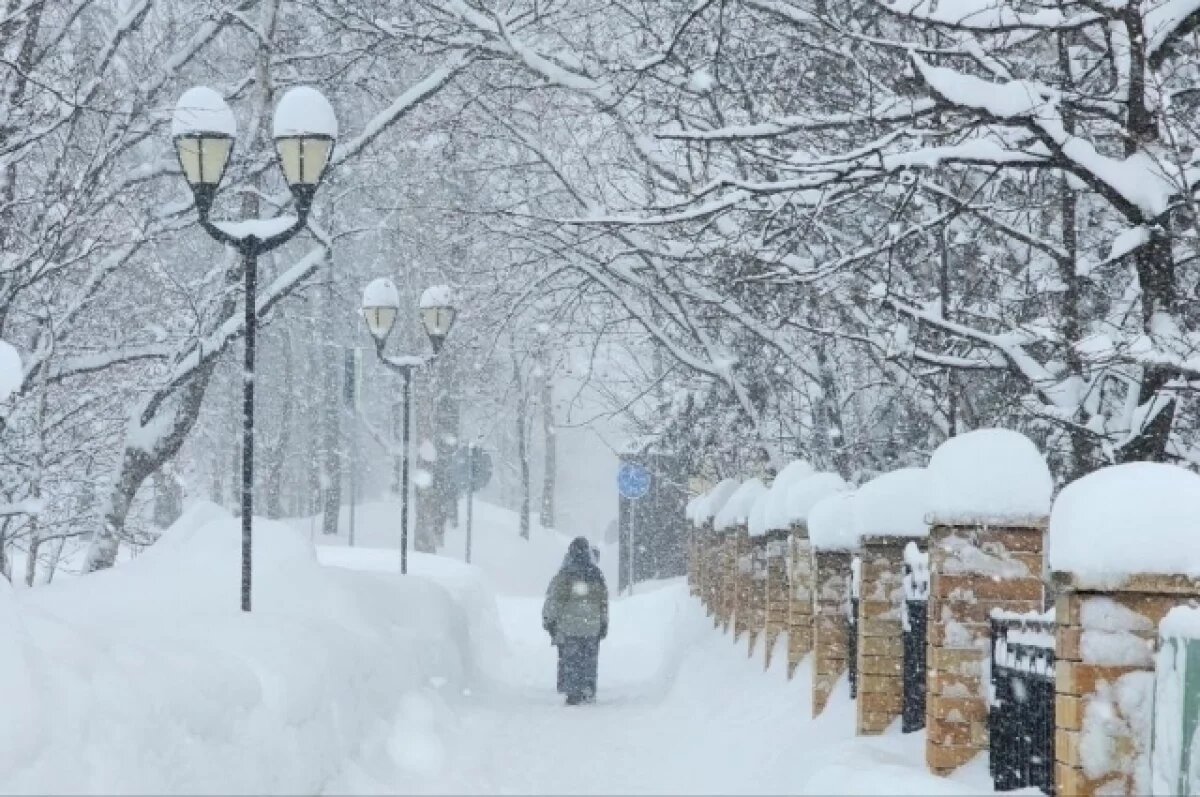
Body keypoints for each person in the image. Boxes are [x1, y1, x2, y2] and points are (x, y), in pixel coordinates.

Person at [542, 536, 609, 705]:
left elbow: (555, 600)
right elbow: (603, 602)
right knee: (589, 660)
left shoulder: (565, 575)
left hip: (569, 627)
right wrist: (604, 623)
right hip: (591, 627)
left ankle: (573, 692)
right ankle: (588, 688)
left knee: (571, 659)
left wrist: (549, 620)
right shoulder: (596, 574)